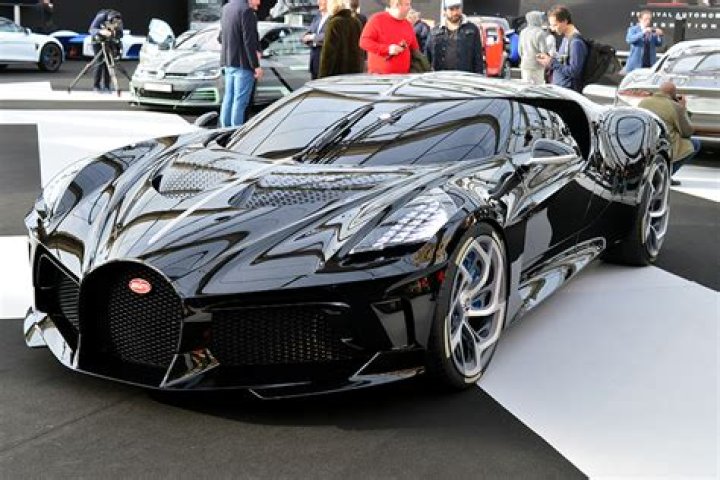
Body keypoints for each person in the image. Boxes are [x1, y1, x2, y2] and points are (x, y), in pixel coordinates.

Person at [638, 81, 701, 186]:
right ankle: (664, 175)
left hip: (645, 142)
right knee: (695, 144)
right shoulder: (675, 107)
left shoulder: (643, 102)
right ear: (674, 94)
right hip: (665, 145)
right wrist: (683, 109)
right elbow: (687, 132)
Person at [219, 0, 263, 127]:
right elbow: (248, 41)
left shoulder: (226, 8)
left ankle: (224, 130)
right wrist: (256, 66)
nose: (259, 2)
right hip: (243, 64)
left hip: (228, 62)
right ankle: (236, 132)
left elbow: (220, 37)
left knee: (228, 98)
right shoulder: (246, 11)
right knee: (240, 102)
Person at [536, 5, 587, 93]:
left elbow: (574, 71)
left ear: (565, 21)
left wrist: (551, 62)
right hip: (561, 90)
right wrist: (550, 61)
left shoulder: (576, 43)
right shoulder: (567, 38)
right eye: (551, 25)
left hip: (567, 92)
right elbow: (562, 64)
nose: (552, 29)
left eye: (555, 25)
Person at [359, 0, 419, 74]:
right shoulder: (377, 20)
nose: (410, 7)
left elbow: (415, 48)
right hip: (380, 77)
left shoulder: (407, 24)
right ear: (397, 5)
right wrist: (387, 49)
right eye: (407, 4)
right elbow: (364, 42)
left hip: (404, 76)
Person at [424, 0, 483, 74]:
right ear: (445, 11)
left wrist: (478, 76)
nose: (455, 12)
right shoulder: (434, 32)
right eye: (451, 9)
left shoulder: (472, 30)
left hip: (465, 77)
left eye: (457, 8)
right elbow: (427, 58)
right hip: (440, 77)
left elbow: (478, 58)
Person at [319, 0, 364, 78]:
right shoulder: (356, 22)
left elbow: (328, 54)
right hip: (354, 71)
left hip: (336, 73)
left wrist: (322, 76)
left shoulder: (334, 23)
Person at [88, 9, 124, 93]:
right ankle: (96, 86)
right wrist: (101, 31)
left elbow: (120, 34)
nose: (115, 24)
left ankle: (107, 86)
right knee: (99, 62)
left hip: (109, 41)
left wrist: (114, 33)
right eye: (113, 22)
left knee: (109, 62)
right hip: (97, 40)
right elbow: (91, 29)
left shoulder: (119, 21)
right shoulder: (101, 17)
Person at [518, 11, 549, 84]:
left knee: (526, 86)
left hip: (525, 64)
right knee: (538, 87)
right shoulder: (540, 32)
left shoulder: (523, 32)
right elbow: (544, 51)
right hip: (537, 66)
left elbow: (519, 50)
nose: (541, 20)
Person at [303, 0, 329, 80]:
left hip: (326, 61)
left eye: (321, 0)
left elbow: (327, 36)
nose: (318, 3)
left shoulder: (334, 18)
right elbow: (305, 36)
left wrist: (313, 37)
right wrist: (315, 41)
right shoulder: (317, 17)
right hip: (314, 61)